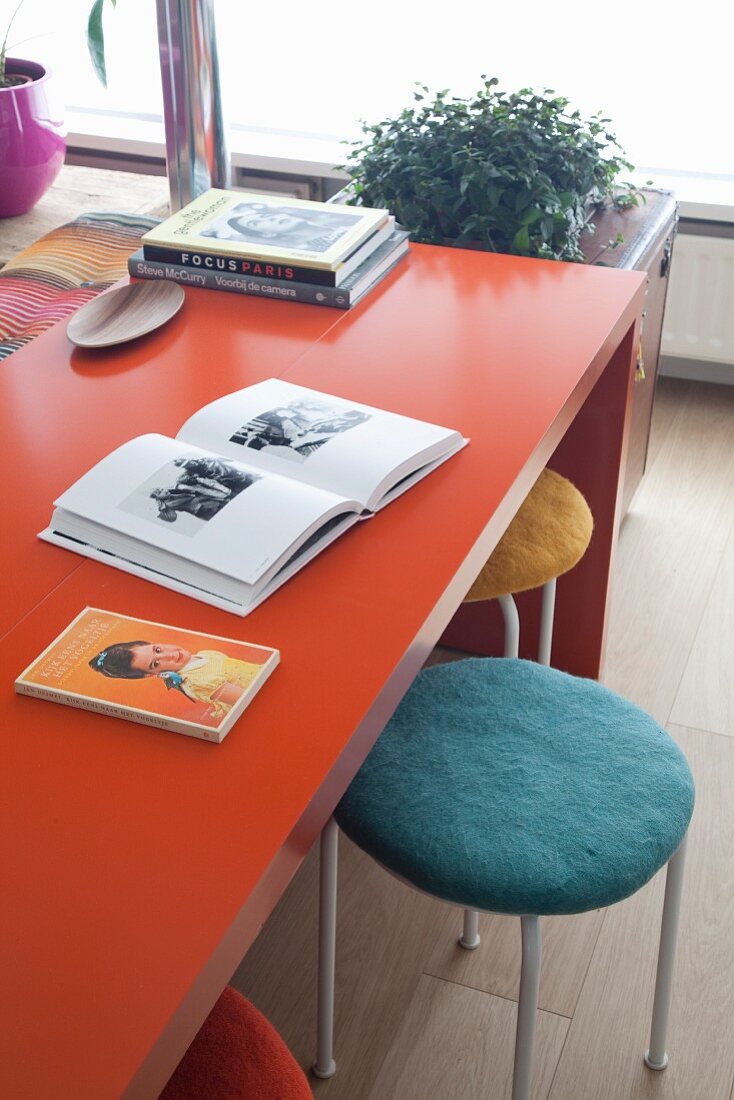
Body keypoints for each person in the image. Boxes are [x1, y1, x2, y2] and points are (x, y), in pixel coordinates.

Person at [89, 640, 262, 719]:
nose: (170, 655)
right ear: (150, 674)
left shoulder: (204, 654)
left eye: (157, 650)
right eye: (156, 662)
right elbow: (250, 700)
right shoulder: (197, 682)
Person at [201, 201, 361, 253]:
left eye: (264, 215)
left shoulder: (340, 220)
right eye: (256, 223)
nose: (271, 218)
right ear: (267, 235)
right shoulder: (318, 248)